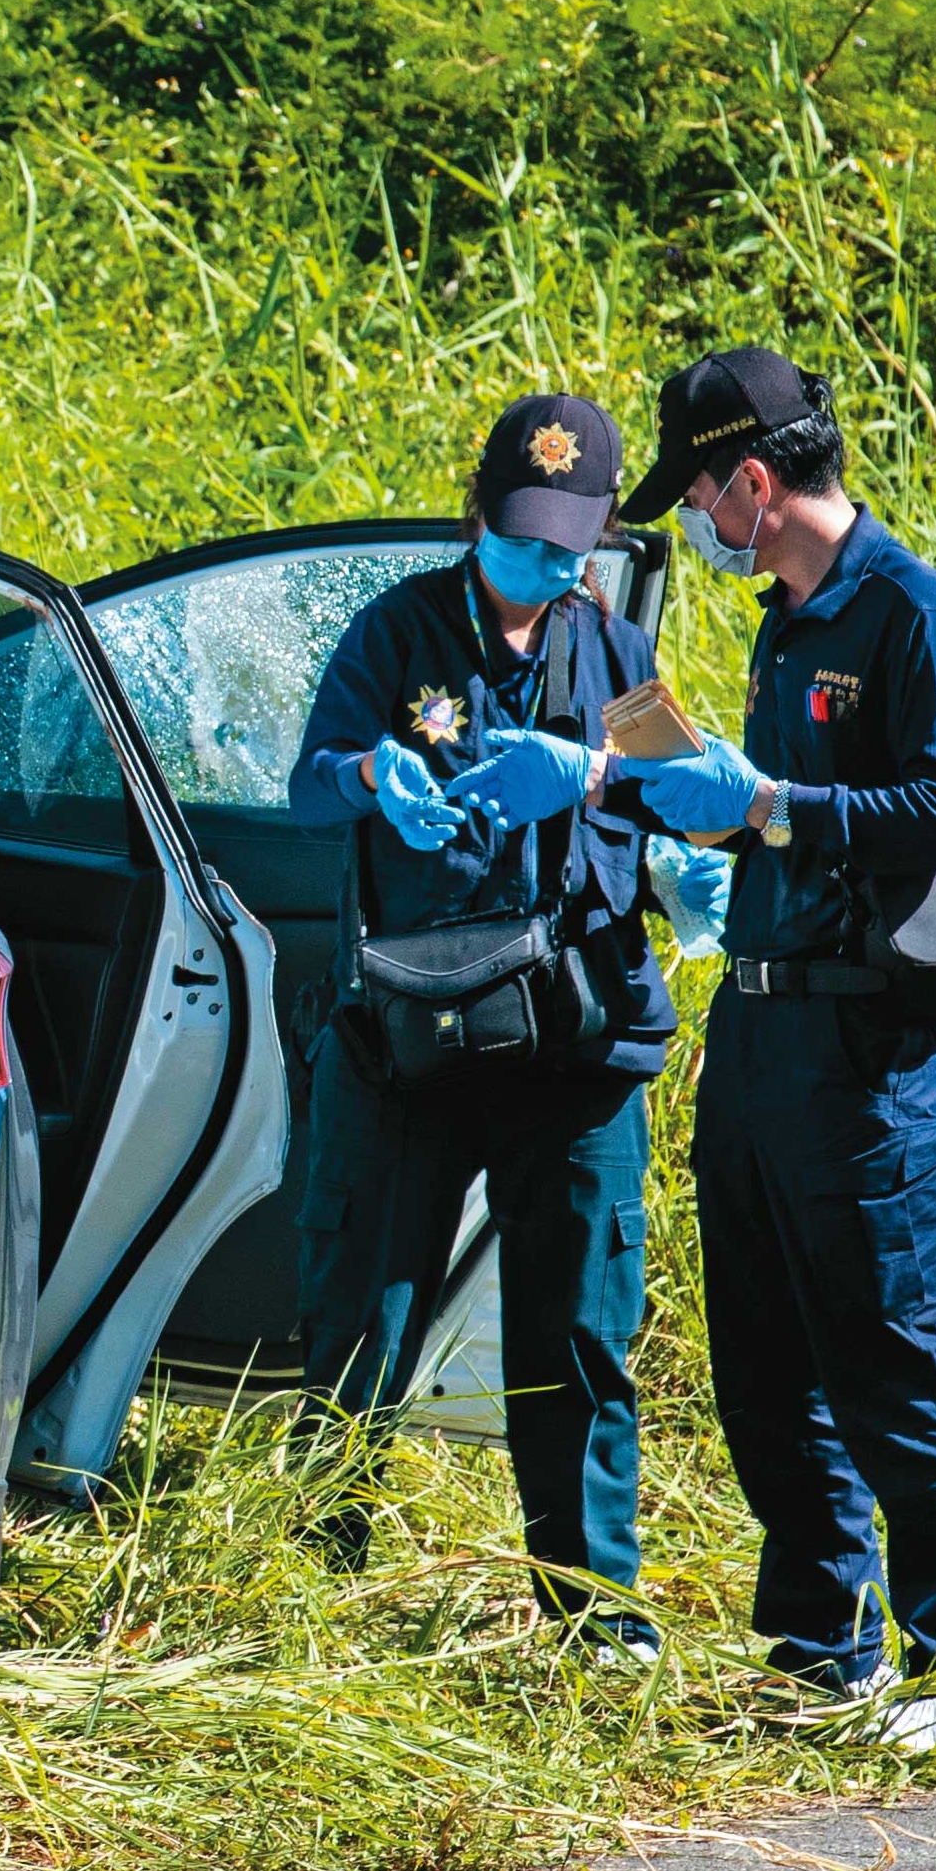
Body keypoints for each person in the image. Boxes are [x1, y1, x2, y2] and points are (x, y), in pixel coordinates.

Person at [605, 345, 936, 1760]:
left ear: (754, 479)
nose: (699, 527)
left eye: (702, 499)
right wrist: (700, 818)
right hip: (758, 1021)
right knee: (762, 1357)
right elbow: (779, 814)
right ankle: (816, 1652)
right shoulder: (782, 623)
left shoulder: (909, 611)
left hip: (861, 1037)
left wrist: (777, 800)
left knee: (888, 1350)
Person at [283, 392, 732, 1644]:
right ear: (478, 512)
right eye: (527, 535)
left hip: (574, 1045)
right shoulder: (397, 634)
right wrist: (379, 777)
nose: (551, 562)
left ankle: (597, 1622)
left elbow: (683, 795)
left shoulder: (612, 657)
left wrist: (663, 846)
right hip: (409, 1040)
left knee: (578, 1336)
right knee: (354, 1324)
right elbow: (309, 785)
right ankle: (318, 1599)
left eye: (571, 542)